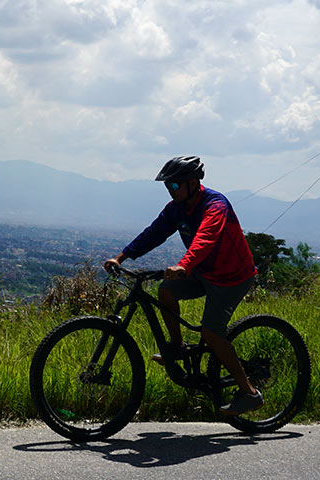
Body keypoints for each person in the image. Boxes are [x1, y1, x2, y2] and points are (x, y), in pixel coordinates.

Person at [104, 155, 262, 415]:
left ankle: (249, 393)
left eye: (175, 186)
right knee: (166, 289)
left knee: (211, 333)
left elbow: (206, 237)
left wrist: (184, 265)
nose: (170, 190)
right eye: (168, 186)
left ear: (193, 183)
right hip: (203, 272)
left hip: (231, 278)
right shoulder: (176, 208)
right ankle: (176, 348)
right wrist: (121, 257)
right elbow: (153, 233)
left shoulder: (215, 204)